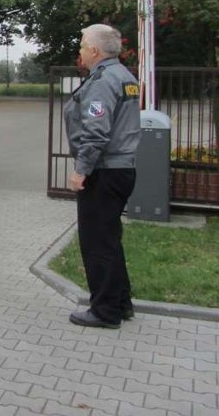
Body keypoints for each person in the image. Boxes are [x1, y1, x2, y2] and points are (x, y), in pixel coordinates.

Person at [64, 24, 141, 329]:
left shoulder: (103, 80)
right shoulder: (125, 77)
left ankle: (105, 311)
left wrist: (82, 169)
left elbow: (96, 132)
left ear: (94, 51)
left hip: (104, 171)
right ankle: (120, 303)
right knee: (109, 239)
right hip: (122, 169)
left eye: (83, 45)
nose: (80, 50)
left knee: (96, 242)